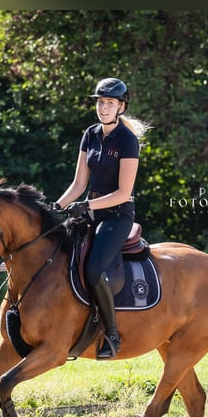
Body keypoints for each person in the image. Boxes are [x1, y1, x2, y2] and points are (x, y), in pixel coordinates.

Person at [54, 77, 151, 359]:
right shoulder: (90, 134)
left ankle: (111, 334)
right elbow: (78, 184)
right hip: (90, 214)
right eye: (100, 102)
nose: (104, 108)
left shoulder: (128, 141)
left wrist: (86, 206)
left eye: (110, 103)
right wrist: (56, 206)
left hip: (117, 217)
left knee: (94, 270)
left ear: (121, 107)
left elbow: (123, 192)